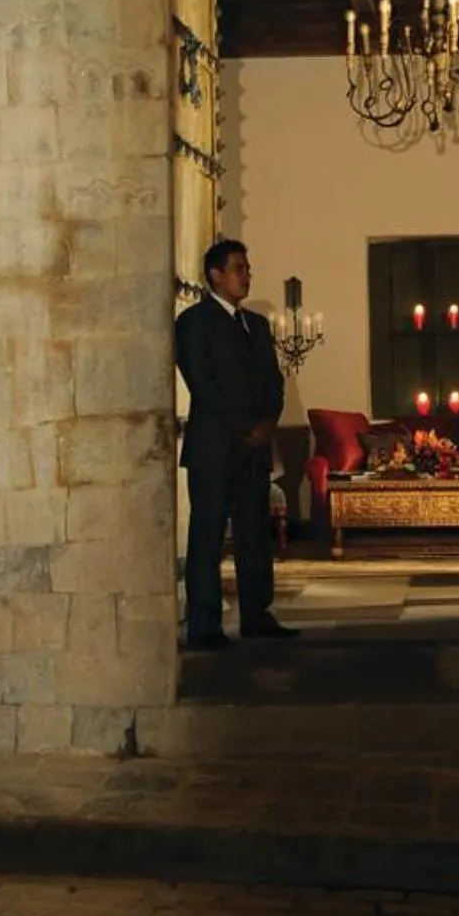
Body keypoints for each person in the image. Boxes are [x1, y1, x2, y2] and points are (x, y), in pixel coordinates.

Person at [174, 238, 297, 650]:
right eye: (239, 268)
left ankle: (256, 614)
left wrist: (267, 423)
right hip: (215, 446)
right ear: (215, 275)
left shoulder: (257, 327)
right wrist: (246, 426)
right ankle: (205, 623)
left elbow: (273, 384)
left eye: (247, 269)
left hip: (253, 449)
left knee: (254, 533)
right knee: (208, 533)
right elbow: (203, 383)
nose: (247, 275)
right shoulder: (195, 323)